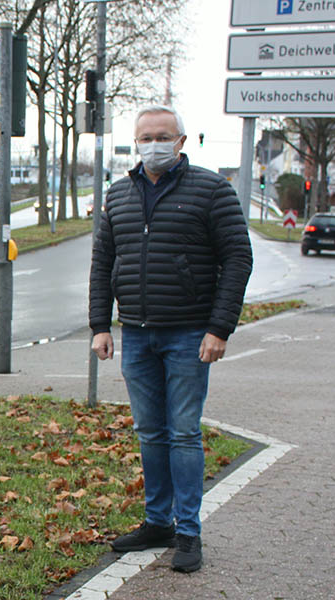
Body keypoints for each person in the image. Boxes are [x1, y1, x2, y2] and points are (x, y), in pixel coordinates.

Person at [88, 105, 252, 573]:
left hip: (188, 333)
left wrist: (219, 328)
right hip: (136, 335)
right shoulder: (118, 194)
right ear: (135, 142)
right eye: (145, 137)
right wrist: (101, 324)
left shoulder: (211, 190)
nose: (153, 144)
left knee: (183, 433)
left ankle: (189, 532)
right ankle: (156, 521)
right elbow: (103, 264)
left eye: (163, 136)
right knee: (150, 433)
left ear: (181, 141)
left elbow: (238, 258)